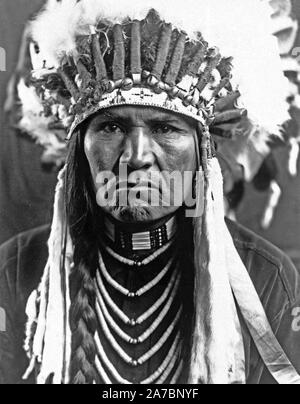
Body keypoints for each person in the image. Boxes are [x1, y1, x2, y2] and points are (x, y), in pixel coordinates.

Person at [1, 0, 300, 385]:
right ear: (79, 149)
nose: (136, 156)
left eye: (165, 129)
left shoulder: (265, 274)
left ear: (202, 152)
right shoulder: (16, 267)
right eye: (111, 127)